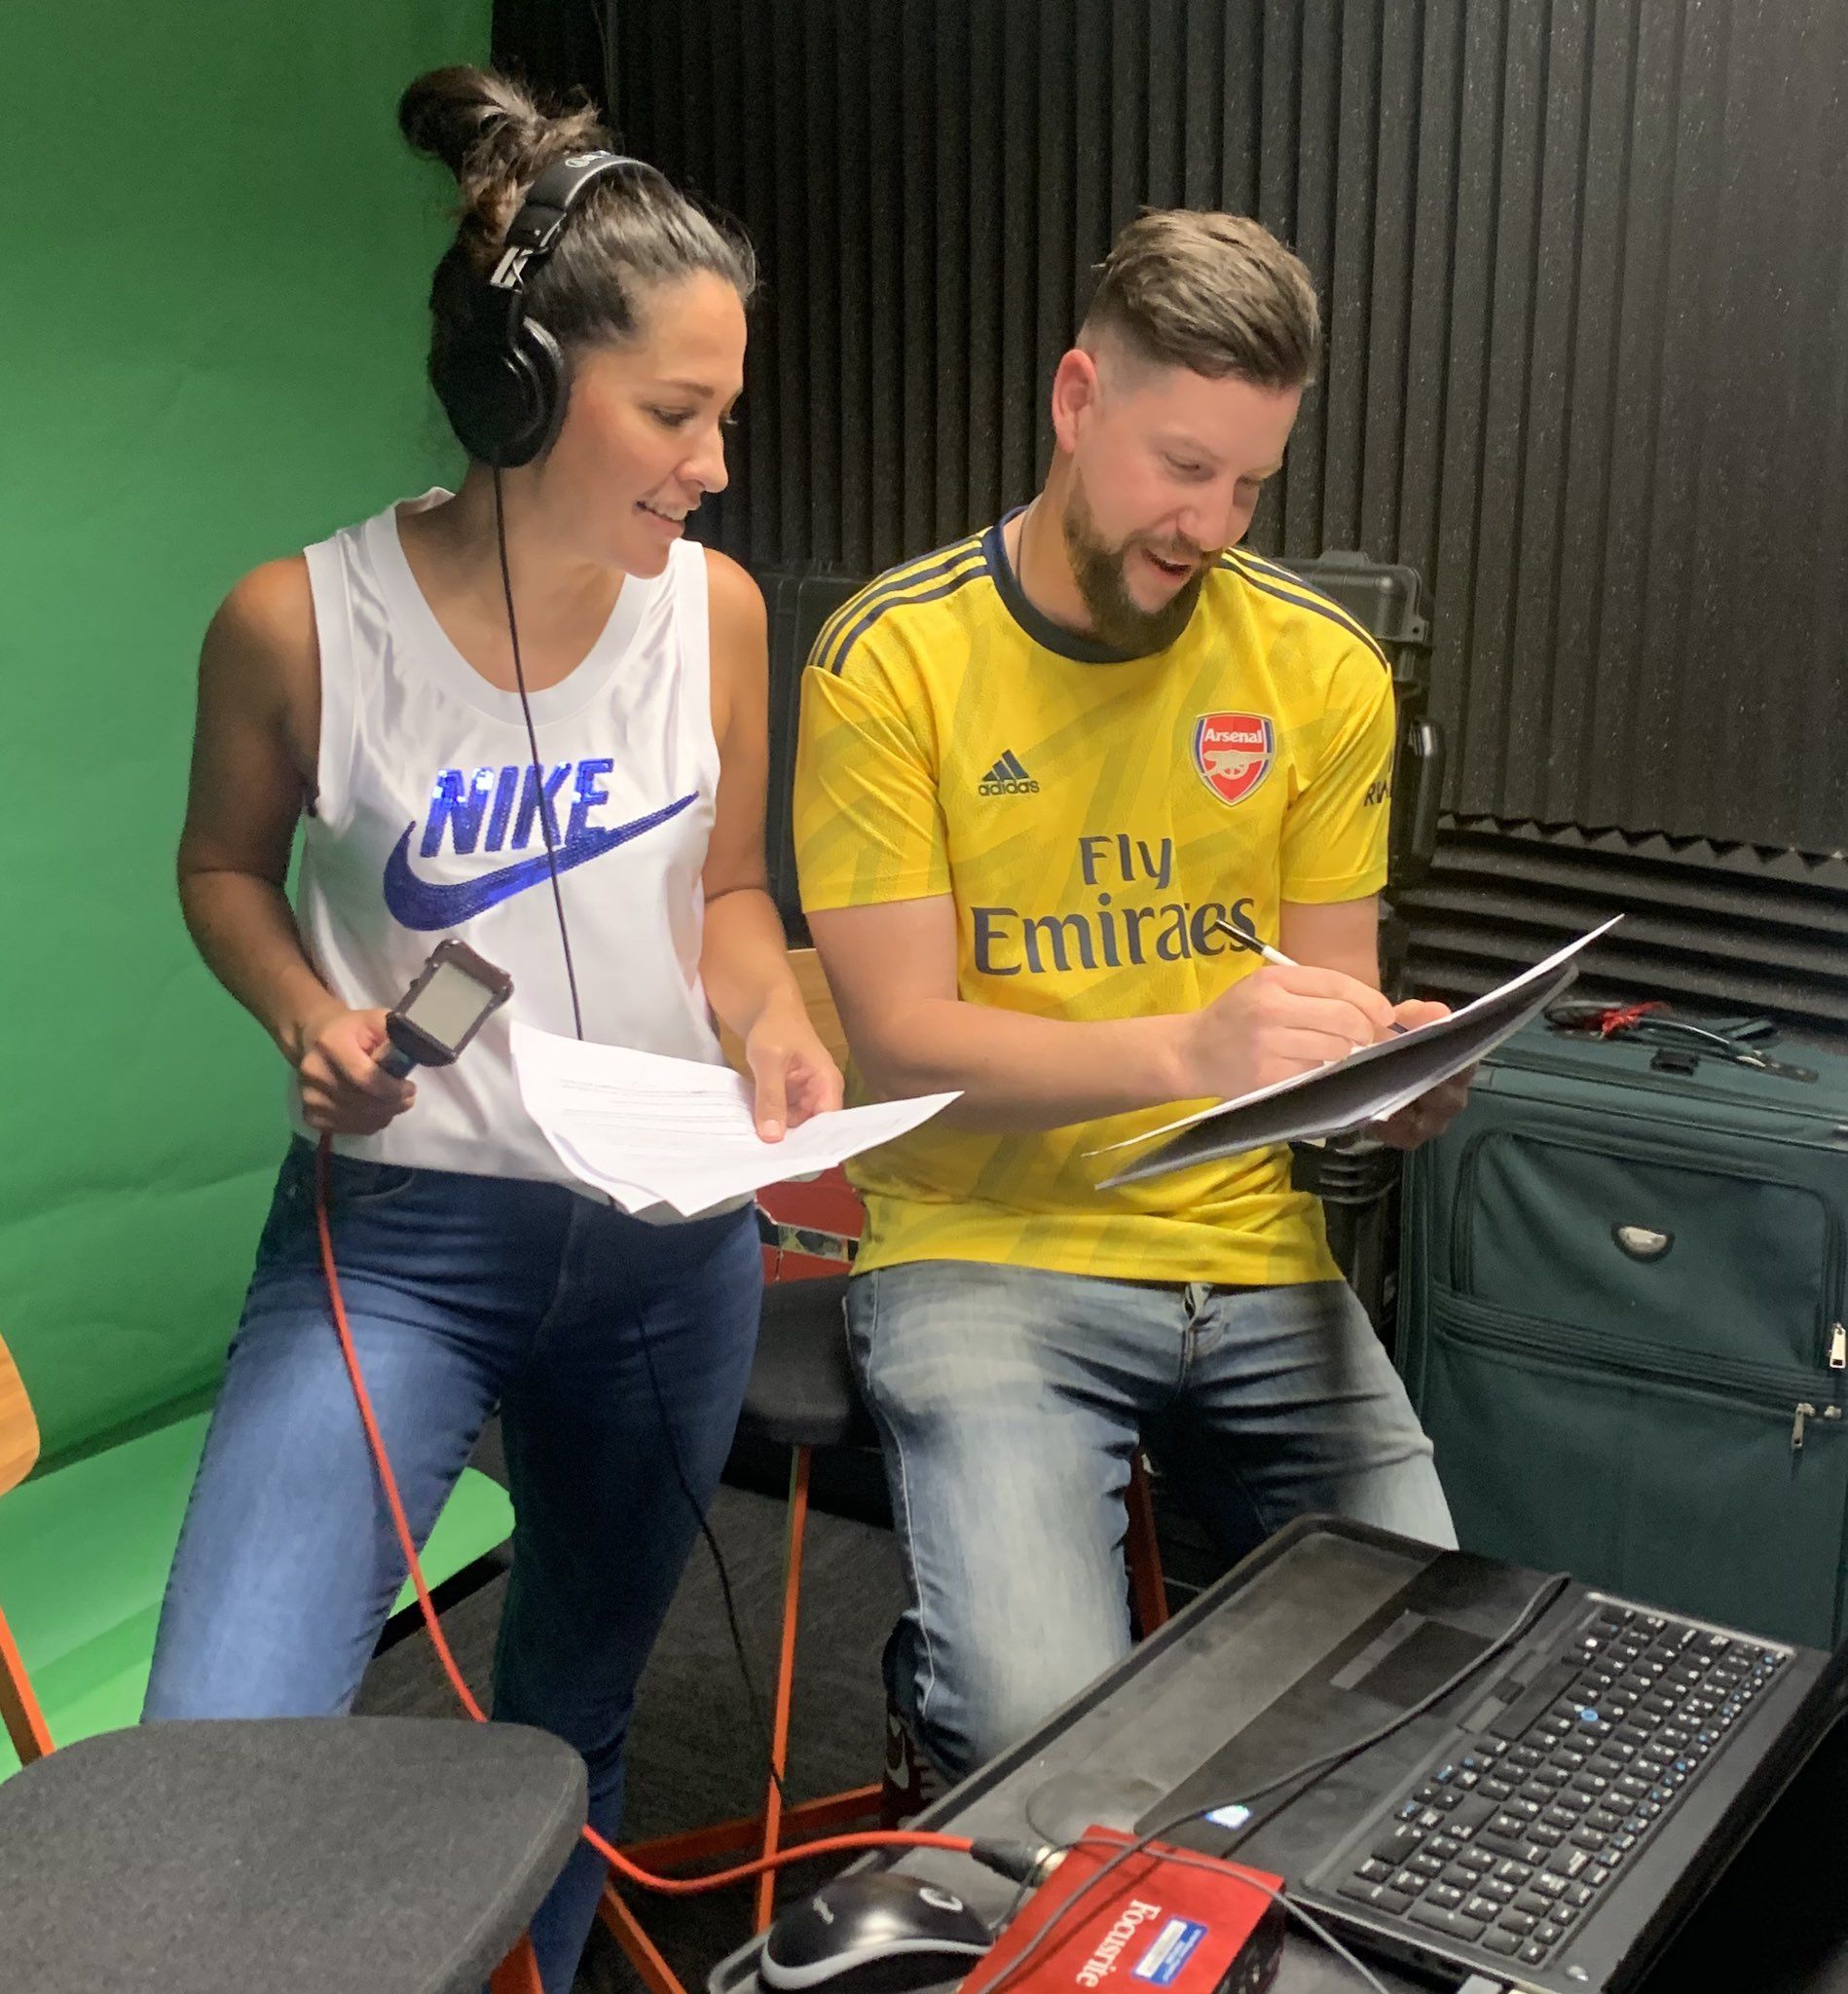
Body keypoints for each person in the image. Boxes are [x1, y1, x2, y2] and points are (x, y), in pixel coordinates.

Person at [141, 66, 840, 1990]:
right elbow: (220, 868)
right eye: (675, 414)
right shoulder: (297, 624)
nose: (714, 463)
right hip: (403, 1248)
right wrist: (307, 1009)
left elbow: (727, 897)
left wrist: (774, 1019)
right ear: (521, 386)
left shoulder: (717, 616)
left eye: (725, 414)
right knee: (210, 1756)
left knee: (566, 1730)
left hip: (669, 1251)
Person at [794, 209, 1461, 1784]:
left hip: (1245, 1254)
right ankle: (936, 1708)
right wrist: (1190, 1045)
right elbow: (900, 1040)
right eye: (1181, 467)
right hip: (984, 1248)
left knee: (1433, 1673)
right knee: (1032, 1730)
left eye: (1249, 485)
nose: (1210, 524)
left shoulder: (1322, 670)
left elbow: (1327, 993)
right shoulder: (891, 660)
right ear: (1076, 400)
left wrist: (1381, 1080)